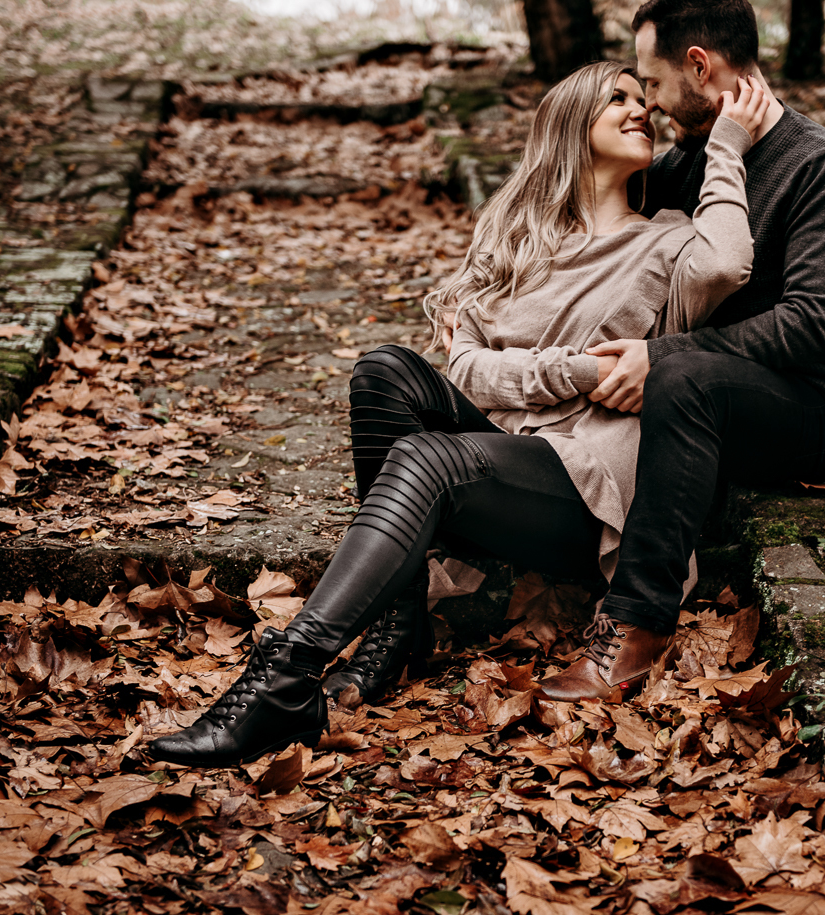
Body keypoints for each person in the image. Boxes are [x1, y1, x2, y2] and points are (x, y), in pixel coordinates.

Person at [146, 61, 769, 767]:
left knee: (427, 459)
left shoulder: (665, 239)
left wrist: (726, 146)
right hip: (501, 451)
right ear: (569, 125)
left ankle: (285, 673)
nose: (639, 111)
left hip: (583, 479)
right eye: (615, 100)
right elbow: (465, 368)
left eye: (640, 100)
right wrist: (582, 370)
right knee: (383, 368)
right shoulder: (516, 237)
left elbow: (726, 265)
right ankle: (397, 624)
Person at [536, 0, 825, 702]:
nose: (652, 103)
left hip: (810, 407)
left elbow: (811, 326)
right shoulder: (686, 164)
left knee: (683, 372)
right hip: (698, 396)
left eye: (654, 83)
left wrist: (662, 356)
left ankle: (635, 628)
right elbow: (582, 218)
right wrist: (474, 298)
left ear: (700, 65)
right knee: (677, 375)